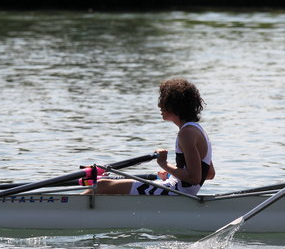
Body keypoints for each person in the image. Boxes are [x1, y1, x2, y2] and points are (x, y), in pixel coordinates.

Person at [85, 78, 215, 196]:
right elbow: (209, 174)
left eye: (162, 100)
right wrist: (172, 173)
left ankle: (67, 209)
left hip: (176, 192)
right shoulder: (198, 130)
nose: (159, 106)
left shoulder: (186, 134)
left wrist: (164, 164)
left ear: (173, 105)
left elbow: (194, 178)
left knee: (103, 185)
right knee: (108, 182)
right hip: (178, 188)